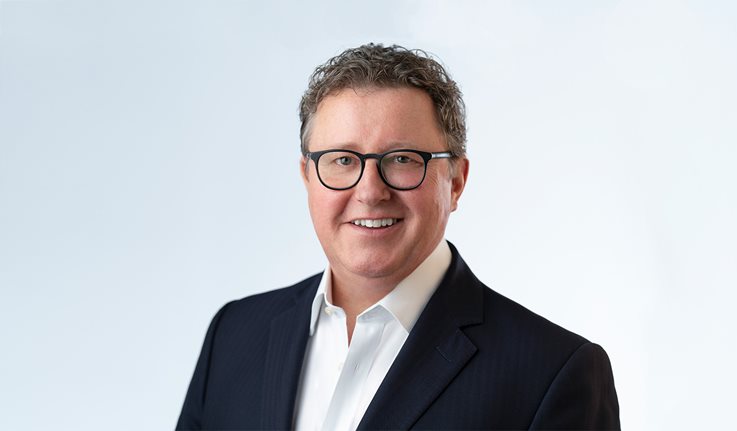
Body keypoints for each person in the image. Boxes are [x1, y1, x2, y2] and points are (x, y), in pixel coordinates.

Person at [176, 43, 620, 430]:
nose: (370, 192)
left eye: (403, 159)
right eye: (343, 160)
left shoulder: (552, 373)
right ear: (307, 176)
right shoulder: (233, 335)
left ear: (456, 181)